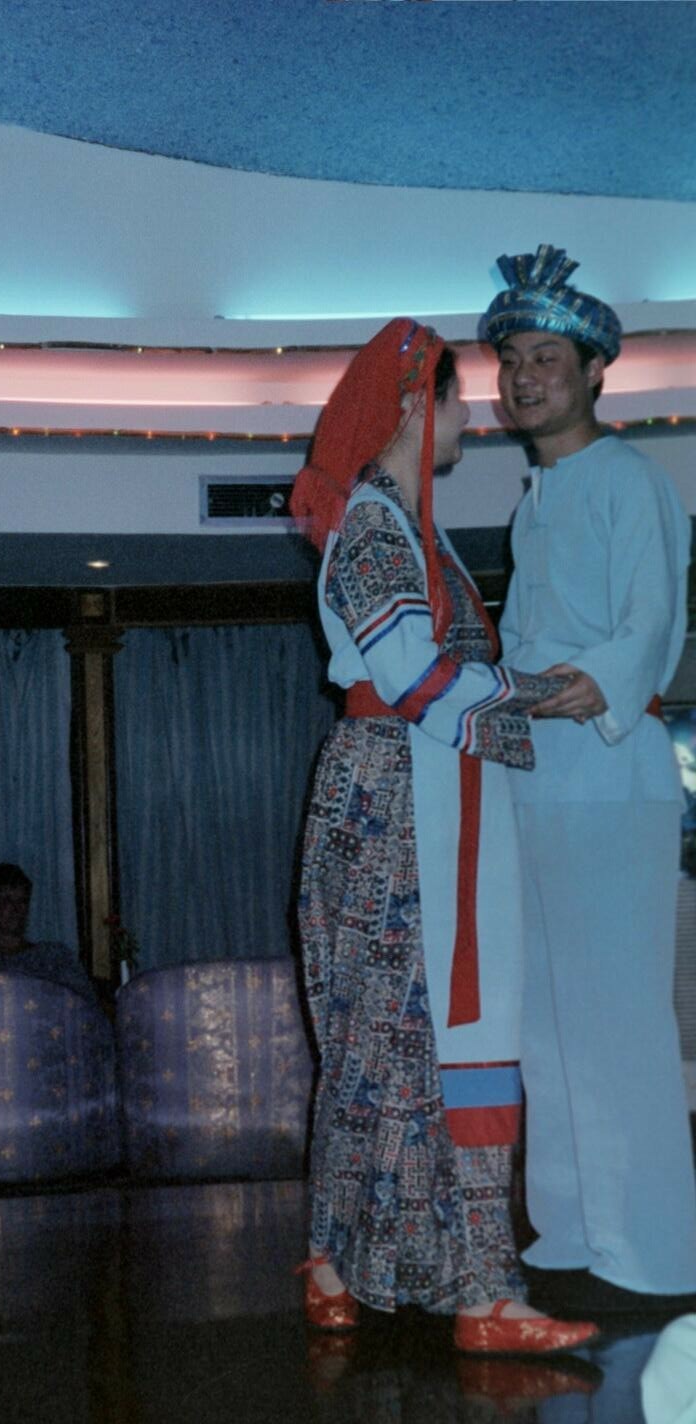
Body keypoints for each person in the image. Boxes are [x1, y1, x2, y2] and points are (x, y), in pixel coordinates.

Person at [290, 317, 597, 1352]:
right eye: (463, 399)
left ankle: (373, 1266)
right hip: (397, 800)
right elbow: (414, 678)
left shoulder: (402, 527)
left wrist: (520, 693)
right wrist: (537, 694)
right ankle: (454, 1288)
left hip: (418, 790)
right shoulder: (379, 528)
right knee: (399, 1034)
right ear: (419, 405)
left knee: (397, 1039)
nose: (475, 417)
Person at [482, 244, 696, 1310]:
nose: (524, 377)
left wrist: (582, 682)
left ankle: (650, 1255)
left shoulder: (631, 479)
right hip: (536, 779)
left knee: (615, 1015)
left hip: (611, 775)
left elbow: (648, 628)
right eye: (512, 359)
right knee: (545, 1020)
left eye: (546, 359)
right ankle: (569, 1235)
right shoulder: (534, 500)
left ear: (596, 371)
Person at [0, 862, 97, 1003]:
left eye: (22, 901)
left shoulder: (54, 958)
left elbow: (86, 1005)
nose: (16, 909)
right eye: (6, 901)